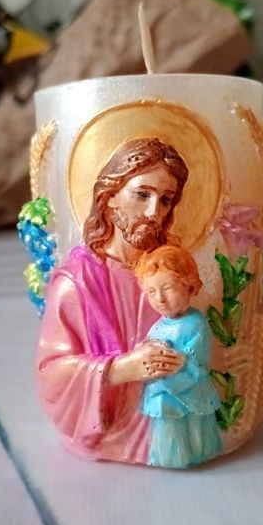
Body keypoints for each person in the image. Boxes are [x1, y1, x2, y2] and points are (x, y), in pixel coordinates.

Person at [36, 137, 190, 463]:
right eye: (142, 194)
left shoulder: (173, 270)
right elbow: (51, 373)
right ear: (110, 198)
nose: (154, 212)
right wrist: (121, 368)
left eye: (165, 200)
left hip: (174, 423)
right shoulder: (76, 283)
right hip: (117, 426)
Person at [135, 245, 222, 468]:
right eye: (151, 292)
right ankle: (169, 459)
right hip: (162, 397)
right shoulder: (157, 327)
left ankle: (195, 455)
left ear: (189, 287)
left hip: (189, 394)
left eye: (168, 288)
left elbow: (196, 363)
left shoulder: (196, 324)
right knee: (168, 436)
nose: (160, 299)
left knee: (193, 433)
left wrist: (175, 366)